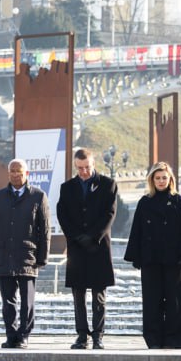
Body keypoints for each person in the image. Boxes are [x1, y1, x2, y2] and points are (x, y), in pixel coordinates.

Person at [124, 162, 181, 348]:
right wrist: (136, 257)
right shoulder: (144, 202)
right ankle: (154, 340)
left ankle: (174, 340)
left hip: (175, 260)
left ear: (170, 179)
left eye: (164, 177)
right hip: (150, 259)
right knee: (152, 301)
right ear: (152, 180)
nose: (161, 181)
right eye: (157, 178)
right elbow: (136, 230)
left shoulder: (178, 201)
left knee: (176, 302)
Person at [57, 148, 118, 349]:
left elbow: (109, 214)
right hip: (77, 248)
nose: (83, 172)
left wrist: (92, 236)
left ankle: (98, 335)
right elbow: (62, 214)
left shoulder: (108, 185)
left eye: (87, 167)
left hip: (98, 247)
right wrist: (75, 237)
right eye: (79, 168)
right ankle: (82, 335)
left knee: (99, 295)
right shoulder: (67, 188)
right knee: (78, 294)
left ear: (93, 165)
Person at [0, 158, 49, 348]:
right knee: (8, 301)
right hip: (4, 255)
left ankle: (24, 335)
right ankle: (11, 335)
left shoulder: (38, 196)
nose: (15, 174)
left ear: (26, 174)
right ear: (8, 173)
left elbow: (44, 230)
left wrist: (42, 258)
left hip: (27, 256)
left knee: (27, 301)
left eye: (19, 171)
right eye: (12, 171)